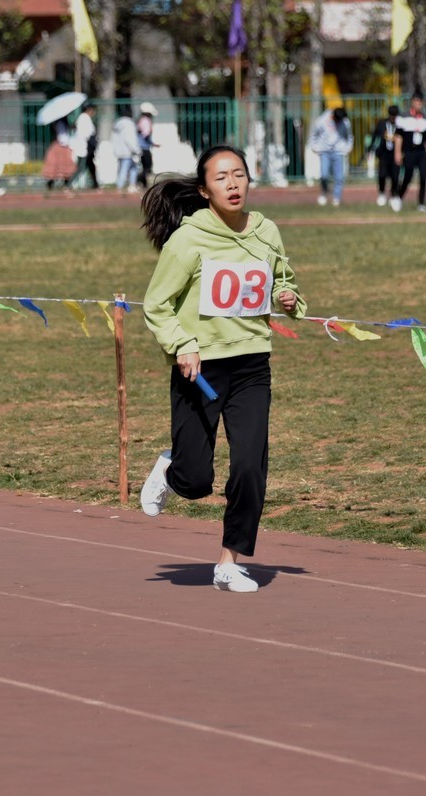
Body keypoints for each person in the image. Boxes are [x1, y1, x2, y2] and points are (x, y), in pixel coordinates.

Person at [138, 145, 307, 593]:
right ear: (204, 190)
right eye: (221, 178)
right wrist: (183, 345)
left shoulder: (267, 231)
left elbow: (283, 282)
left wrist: (288, 299)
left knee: (250, 467)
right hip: (199, 369)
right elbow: (156, 305)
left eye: (239, 175)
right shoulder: (188, 240)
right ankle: (171, 470)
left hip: (252, 365)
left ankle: (229, 563)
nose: (233, 184)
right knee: (196, 481)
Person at [392, 93, 426, 212]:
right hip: (409, 151)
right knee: (408, 176)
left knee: (423, 176)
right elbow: (398, 137)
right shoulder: (403, 117)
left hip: (421, 151)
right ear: (412, 102)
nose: (418, 104)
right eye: (416, 101)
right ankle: (399, 197)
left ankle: (422, 203)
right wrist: (398, 152)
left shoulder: (425, 118)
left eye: (420, 102)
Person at [308, 106, 354, 206]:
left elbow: (349, 136)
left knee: (339, 177)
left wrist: (348, 148)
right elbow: (314, 134)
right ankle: (324, 193)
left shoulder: (345, 122)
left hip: (338, 151)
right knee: (324, 175)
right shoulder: (322, 121)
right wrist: (314, 146)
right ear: (333, 116)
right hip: (324, 151)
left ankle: (336, 198)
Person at [366, 104, 400, 206]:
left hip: (395, 154)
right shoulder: (382, 123)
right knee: (382, 175)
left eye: (395, 116)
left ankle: (394, 195)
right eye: (391, 115)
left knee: (395, 176)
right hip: (384, 154)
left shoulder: (400, 125)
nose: (393, 118)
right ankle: (381, 193)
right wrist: (370, 148)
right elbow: (375, 136)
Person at [41, 115, 77, 192]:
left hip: (63, 145)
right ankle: (52, 184)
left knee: (64, 166)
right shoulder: (58, 123)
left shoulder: (62, 123)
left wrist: (72, 126)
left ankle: (65, 184)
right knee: (56, 166)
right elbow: (61, 136)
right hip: (60, 145)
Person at [112, 108, 141, 194]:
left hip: (119, 150)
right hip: (128, 151)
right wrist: (136, 149)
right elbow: (130, 139)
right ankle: (120, 186)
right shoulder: (129, 124)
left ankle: (132, 185)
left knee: (132, 168)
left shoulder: (117, 123)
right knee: (124, 169)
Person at [71, 102, 99, 189]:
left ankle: (95, 185)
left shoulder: (83, 118)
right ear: (89, 110)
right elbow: (87, 134)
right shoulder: (84, 119)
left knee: (91, 166)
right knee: (81, 167)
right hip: (85, 147)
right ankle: (68, 185)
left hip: (86, 147)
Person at [137, 101, 159, 188]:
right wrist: (150, 142)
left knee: (145, 166)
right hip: (144, 147)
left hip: (142, 147)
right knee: (148, 166)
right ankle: (139, 180)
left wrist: (152, 143)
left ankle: (144, 183)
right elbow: (146, 134)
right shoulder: (146, 121)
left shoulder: (140, 120)